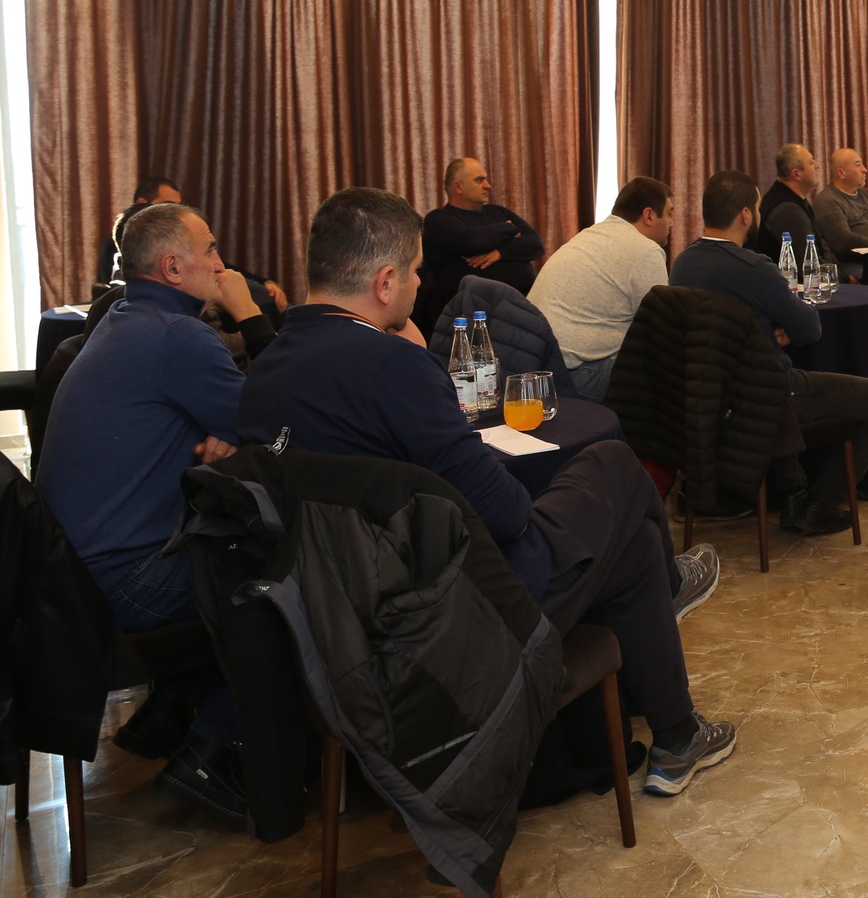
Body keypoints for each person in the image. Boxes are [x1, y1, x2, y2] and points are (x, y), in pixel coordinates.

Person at [238, 188, 737, 797]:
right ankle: (672, 601)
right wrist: (422, 367)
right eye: (416, 271)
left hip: (343, 626)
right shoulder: (393, 367)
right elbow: (507, 514)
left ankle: (678, 735)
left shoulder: (263, 374)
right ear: (386, 282)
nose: (421, 284)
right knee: (611, 464)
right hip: (446, 619)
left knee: (628, 545)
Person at [37, 202, 261, 825]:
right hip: (121, 583)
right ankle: (215, 751)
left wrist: (231, 429)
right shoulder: (178, 336)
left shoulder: (124, 319)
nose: (221, 263)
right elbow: (279, 420)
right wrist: (250, 315)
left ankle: (172, 711)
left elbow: (239, 420)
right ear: (172, 268)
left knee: (231, 546)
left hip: (70, 577)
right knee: (286, 581)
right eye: (210, 249)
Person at [670, 170, 868, 535]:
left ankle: (794, 489)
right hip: (768, 395)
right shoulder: (753, 267)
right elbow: (810, 330)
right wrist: (777, 332)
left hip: (710, 395)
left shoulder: (683, 262)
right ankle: (820, 502)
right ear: (746, 214)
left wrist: (760, 333)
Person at [528, 177, 673, 401]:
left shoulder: (588, 235)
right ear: (649, 215)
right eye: (670, 214)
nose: (672, 224)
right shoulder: (646, 251)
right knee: (669, 368)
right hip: (572, 376)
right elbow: (660, 328)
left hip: (535, 366)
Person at [418, 156, 544, 332]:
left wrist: (500, 252)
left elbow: (535, 243)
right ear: (458, 187)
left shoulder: (498, 212)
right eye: (479, 180)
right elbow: (471, 241)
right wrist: (508, 228)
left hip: (521, 308)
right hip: (471, 319)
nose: (487, 185)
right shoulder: (438, 220)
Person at [812, 148, 868, 279]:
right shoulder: (827, 200)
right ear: (841, 173)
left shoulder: (867, 195)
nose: (865, 169)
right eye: (858, 165)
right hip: (853, 264)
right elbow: (844, 242)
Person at [96, 175, 180, 285]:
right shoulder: (118, 244)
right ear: (142, 203)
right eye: (167, 205)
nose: (175, 213)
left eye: (178, 207)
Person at [754, 142, 827, 262]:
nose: (817, 165)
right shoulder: (788, 211)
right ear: (797, 174)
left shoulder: (790, 199)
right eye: (811, 163)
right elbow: (807, 262)